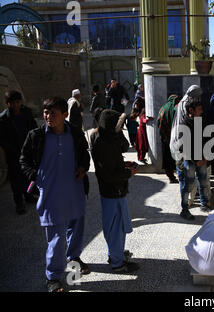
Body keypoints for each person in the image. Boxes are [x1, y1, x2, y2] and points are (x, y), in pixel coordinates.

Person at [19, 97, 91, 292]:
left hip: (74, 190)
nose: (48, 117)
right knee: (56, 236)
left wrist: (83, 167)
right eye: (46, 112)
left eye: (53, 113)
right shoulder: (36, 136)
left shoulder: (75, 133)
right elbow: (23, 159)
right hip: (50, 194)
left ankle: (73, 257)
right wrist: (35, 177)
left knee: (76, 227)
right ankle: (52, 277)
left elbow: (85, 153)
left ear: (65, 115)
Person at [91, 109, 140, 273]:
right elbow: (108, 175)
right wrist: (128, 173)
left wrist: (123, 165)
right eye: (118, 126)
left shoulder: (108, 138)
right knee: (114, 229)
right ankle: (117, 263)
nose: (120, 129)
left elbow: (122, 150)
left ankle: (116, 254)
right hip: (112, 192)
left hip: (116, 191)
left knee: (118, 227)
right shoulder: (102, 144)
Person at [170, 85, 211, 220]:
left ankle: (205, 204)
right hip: (184, 153)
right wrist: (196, 158)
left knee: (203, 179)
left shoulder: (197, 116)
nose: (202, 111)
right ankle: (184, 209)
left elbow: (203, 137)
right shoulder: (184, 110)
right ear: (191, 110)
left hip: (197, 153)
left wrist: (205, 156)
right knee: (187, 182)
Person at [0, 90, 38, 214]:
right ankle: (19, 203)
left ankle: (28, 195)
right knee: (16, 180)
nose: (16, 105)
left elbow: (33, 128)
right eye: (13, 103)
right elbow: (2, 139)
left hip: (27, 151)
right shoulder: (3, 119)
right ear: (8, 103)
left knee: (28, 176)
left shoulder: (26, 113)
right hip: (13, 154)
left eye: (18, 102)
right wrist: (13, 151)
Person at [157, 94, 180, 183]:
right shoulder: (174, 108)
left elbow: (158, 122)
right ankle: (176, 175)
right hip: (173, 137)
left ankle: (170, 176)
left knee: (167, 157)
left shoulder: (163, 108)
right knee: (174, 157)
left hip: (164, 137)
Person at [135, 98, 150, 163]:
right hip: (142, 130)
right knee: (141, 145)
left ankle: (140, 157)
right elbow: (143, 120)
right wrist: (149, 120)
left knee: (141, 145)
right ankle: (141, 158)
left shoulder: (142, 110)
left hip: (141, 130)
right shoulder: (142, 110)